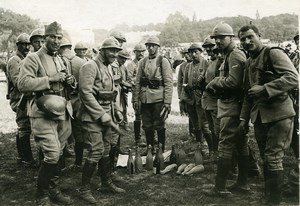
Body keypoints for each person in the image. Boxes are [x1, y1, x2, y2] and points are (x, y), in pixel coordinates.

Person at [238, 24, 298, 205]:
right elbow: (249, 93)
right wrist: (243, 119)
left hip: (279, 115)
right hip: (260, 118)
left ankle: (274, 201)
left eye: (250, 37)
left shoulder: (273, 53)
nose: (247, 42)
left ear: (259, 35)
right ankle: (270, 198)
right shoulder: (249, 61)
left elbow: (294, 78)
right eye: (243, 40)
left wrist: (265, 88)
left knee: (273, 159)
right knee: (267, 158)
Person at [18, 21, 75, 206]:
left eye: (59, 38)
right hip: (42, 111)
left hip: (62, 111)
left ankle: (54, 189)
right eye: (53, 37)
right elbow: (23, 84)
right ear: (45, 38)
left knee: (58, 152)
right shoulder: (33, 58)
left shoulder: (60, 59)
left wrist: (70, 80)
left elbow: (66, 81)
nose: (56, 41)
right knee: (51, 153)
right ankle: (41, 196)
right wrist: (50, 79)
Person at [76, 37, 125, 204]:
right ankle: (84, 189)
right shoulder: (90, 66)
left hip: (107, 114)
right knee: (96, 150)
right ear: (101, 50)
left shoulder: (109, 67)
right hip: (91, 116)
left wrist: (116, 111)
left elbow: (112, 92)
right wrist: (101, 115)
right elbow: (85, 93)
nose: (114, 53)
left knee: (105, 148)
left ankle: (105, 182)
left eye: (116, 51)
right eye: (111, 50)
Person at [205, 22, 250, 196]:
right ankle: (242, 183)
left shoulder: (235, 54)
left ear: (231, 37)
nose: (218, 41)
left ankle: (220, 187)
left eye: (222, 37)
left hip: (232, 105)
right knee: (240, 143)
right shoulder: (228, 55)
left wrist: (215, 82)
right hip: (229, 104)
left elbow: (234, 82)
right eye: (216, 38)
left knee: (225, 144)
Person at [132, 36, 173, 154]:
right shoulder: (142, 62)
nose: (150, 48)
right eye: (148, 46)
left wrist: (167, 102)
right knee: (147, 125)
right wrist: (136, 98)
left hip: (158, 99)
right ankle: (150, 149)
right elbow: (138, 81)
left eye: (153, 45)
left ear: (158, 47)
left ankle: (160, 150)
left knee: (159, 124)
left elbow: (169, 83)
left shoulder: (163, 61)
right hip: (145, 99)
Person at [6, 33, 36, 167]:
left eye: (28, 44)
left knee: (23, 128)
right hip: (19, 98)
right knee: (24, 128)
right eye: (23, 44)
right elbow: (18, 82)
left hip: (24, 97)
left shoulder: (25, 58)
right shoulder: (14, 60)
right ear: (18, 45)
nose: (26, 47)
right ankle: (27, 159)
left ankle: (21, 157)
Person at [58, 31, 86, 172]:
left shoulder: (57, 61)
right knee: (79, 133)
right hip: (80, 103)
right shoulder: (83, 62)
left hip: (63, 103)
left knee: (61, 135)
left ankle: (61, 165)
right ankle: (78, 162)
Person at [181, 43, 213, 156]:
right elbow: (184, 83)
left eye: (196, 52)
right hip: (190, 99)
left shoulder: (206, 64)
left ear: (201, 52)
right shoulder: (188, 66)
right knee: (195, 125)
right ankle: (199, 146)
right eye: (191, 52)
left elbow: (209, 82)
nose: (193, 55)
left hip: (202, 99)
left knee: (205, 125)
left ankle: (211, 149)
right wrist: (183, 99)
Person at [201, 37, 222, 162]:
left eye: (211, 46)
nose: (209, 49)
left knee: (219, 130)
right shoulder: (211, 62)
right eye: (206, 47)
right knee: (212, 129)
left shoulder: (220, 61)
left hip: (216, 101)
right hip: (208, 101)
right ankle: (215, 153)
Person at [126, 43, 147, 146]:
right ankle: (137, 138)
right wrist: (139, 80)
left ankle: (150, 137)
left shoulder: (146, 62)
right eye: (139, 52)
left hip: (147, 92)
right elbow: (129, 79)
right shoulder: (131, 64)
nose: (141, 53)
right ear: (135, 52)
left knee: (147, 115)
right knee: (138, 116)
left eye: (143, 51)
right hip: (136, 93)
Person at [177, 47, 194, 138]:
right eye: (185, 54)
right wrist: (180, 95)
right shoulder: (183, 66)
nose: (186, 56)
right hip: (187, 94)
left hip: (196, 93)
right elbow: (180, 82)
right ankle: (191, 134)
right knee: (190, 114)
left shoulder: (198, 63)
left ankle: (200, 136)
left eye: (188, 53)